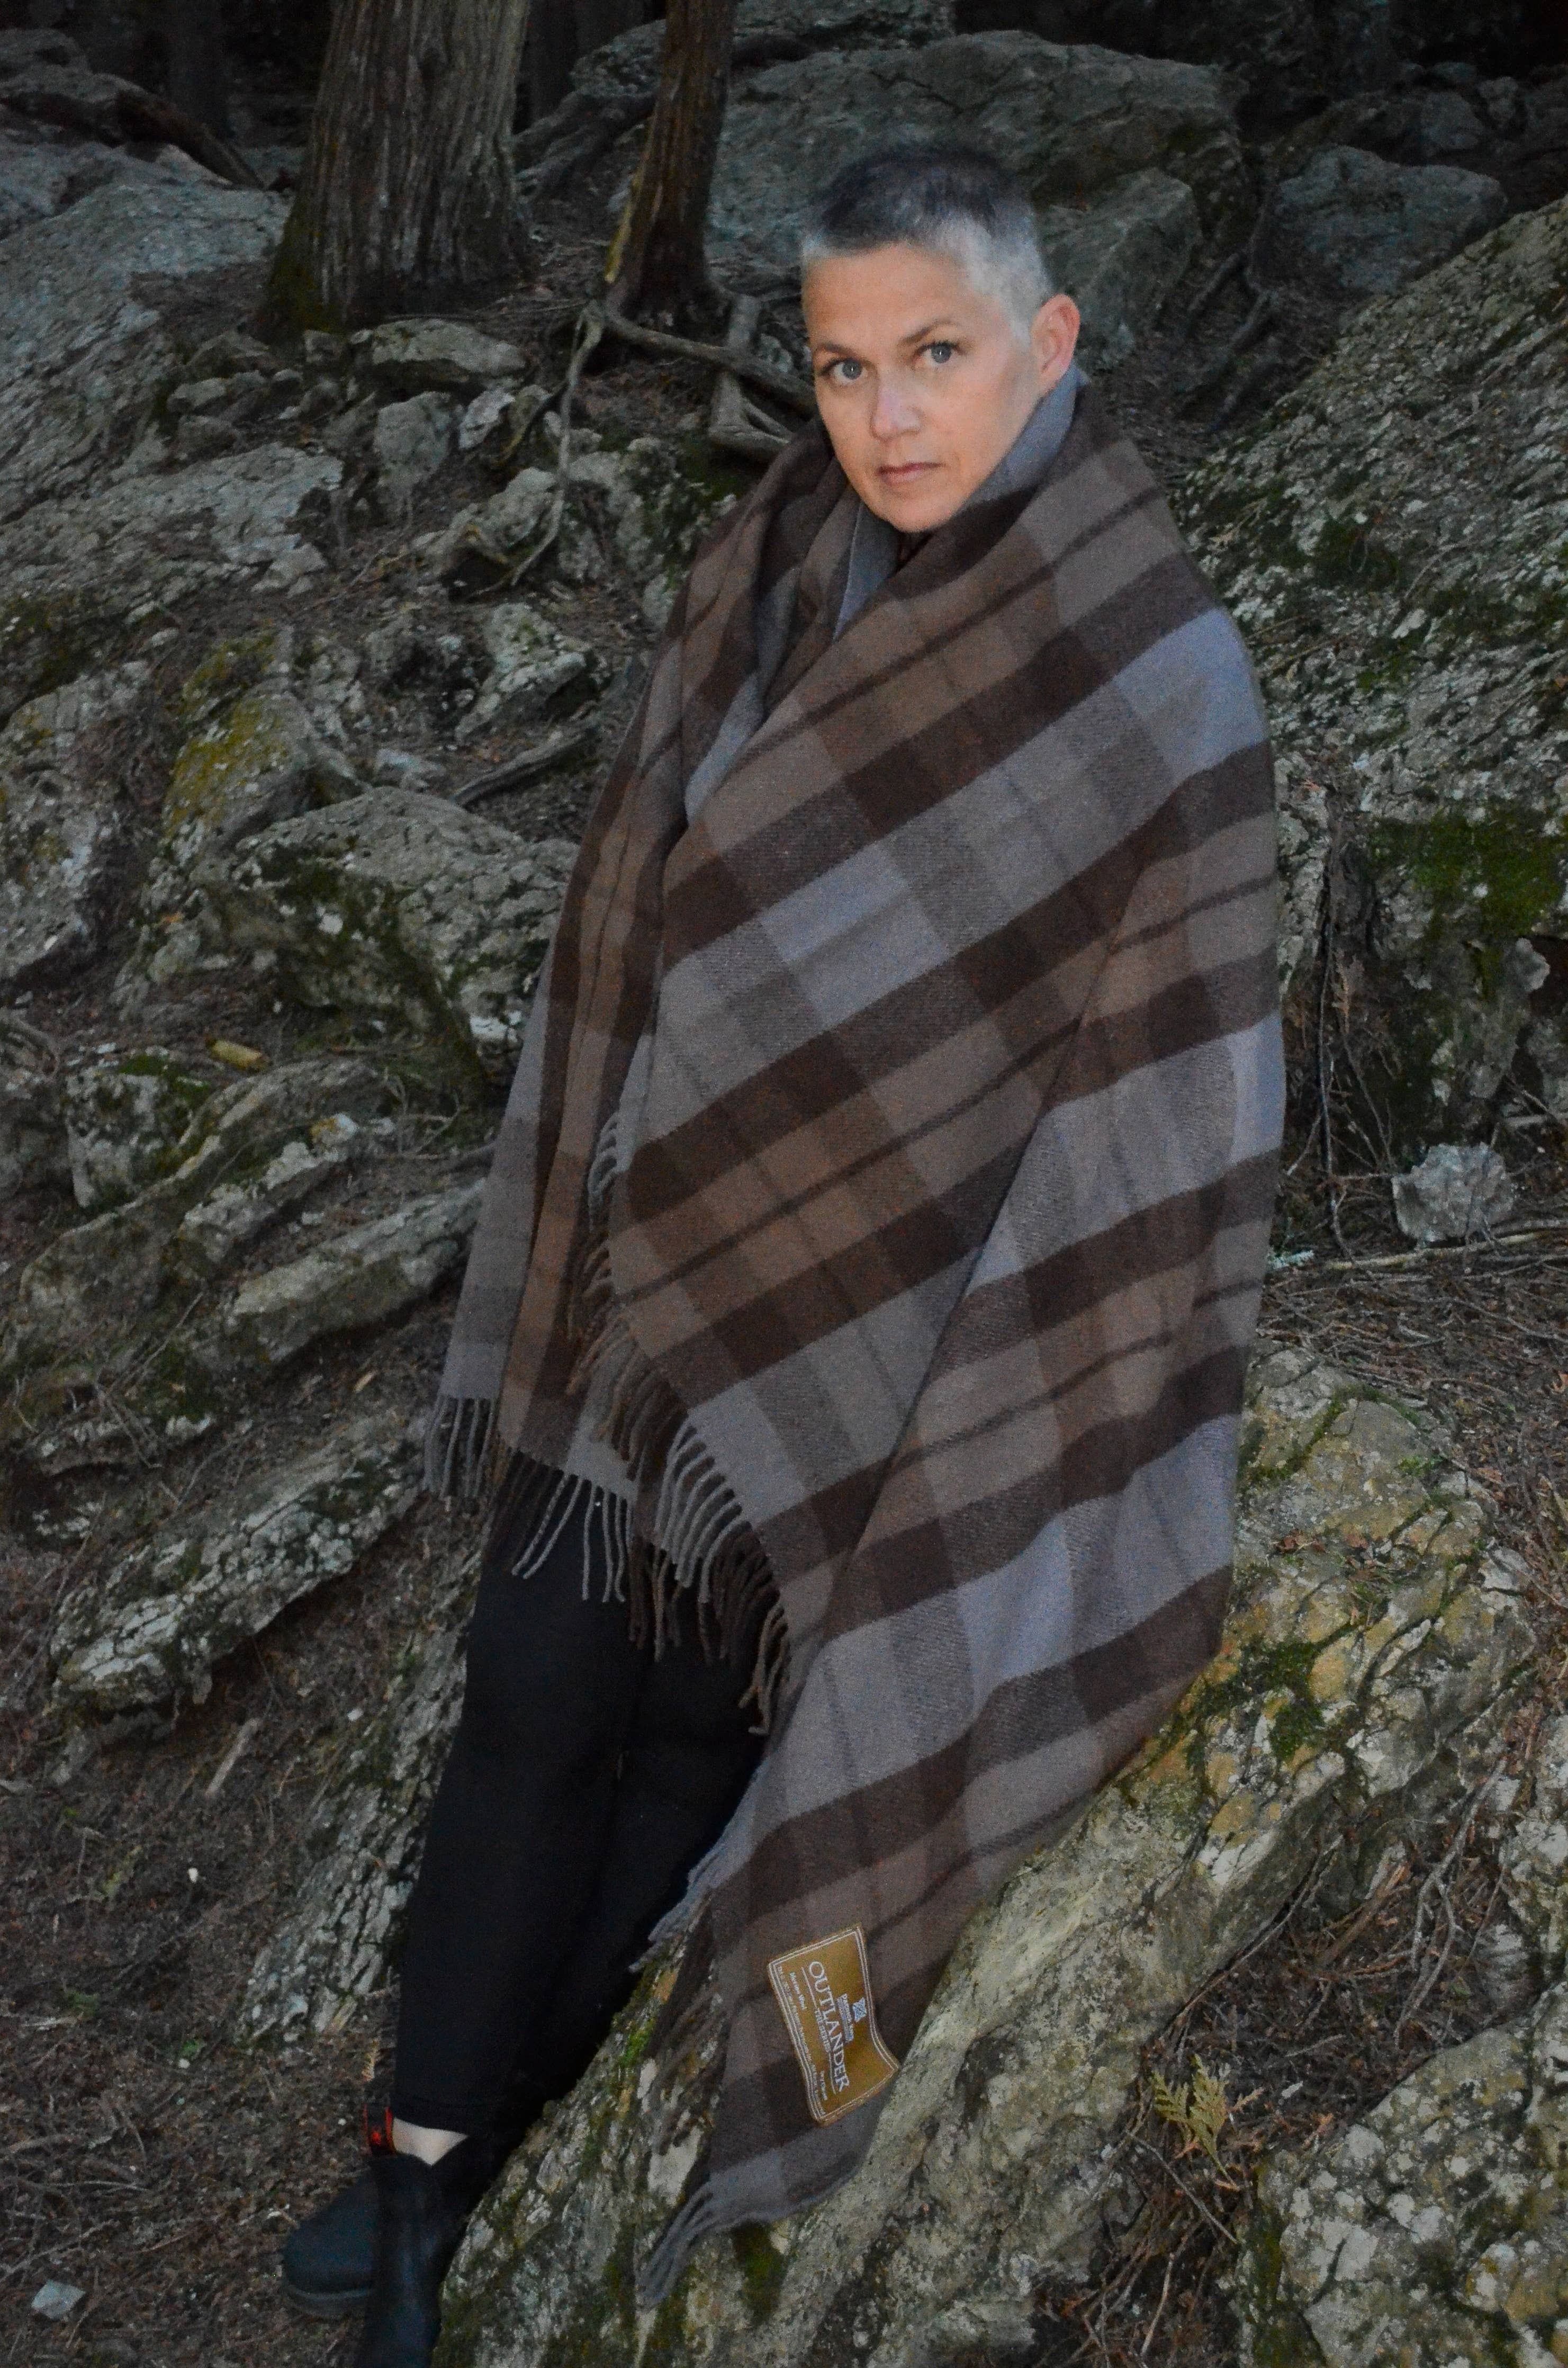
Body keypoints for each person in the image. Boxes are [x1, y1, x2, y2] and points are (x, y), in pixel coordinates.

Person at [281, 140, 1283, 2367]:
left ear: (1053, 343)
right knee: (534, 1696)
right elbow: (637, 921)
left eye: (937, 355)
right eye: (843, 366)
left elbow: (1165, 1081)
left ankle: (482, 2163)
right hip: (645, 1289)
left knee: (687, 1755)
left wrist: (1008, 1369)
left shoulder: (1160, 674)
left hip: (893, 1326)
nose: (891, 414)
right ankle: (416, 2163)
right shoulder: (768, 565)